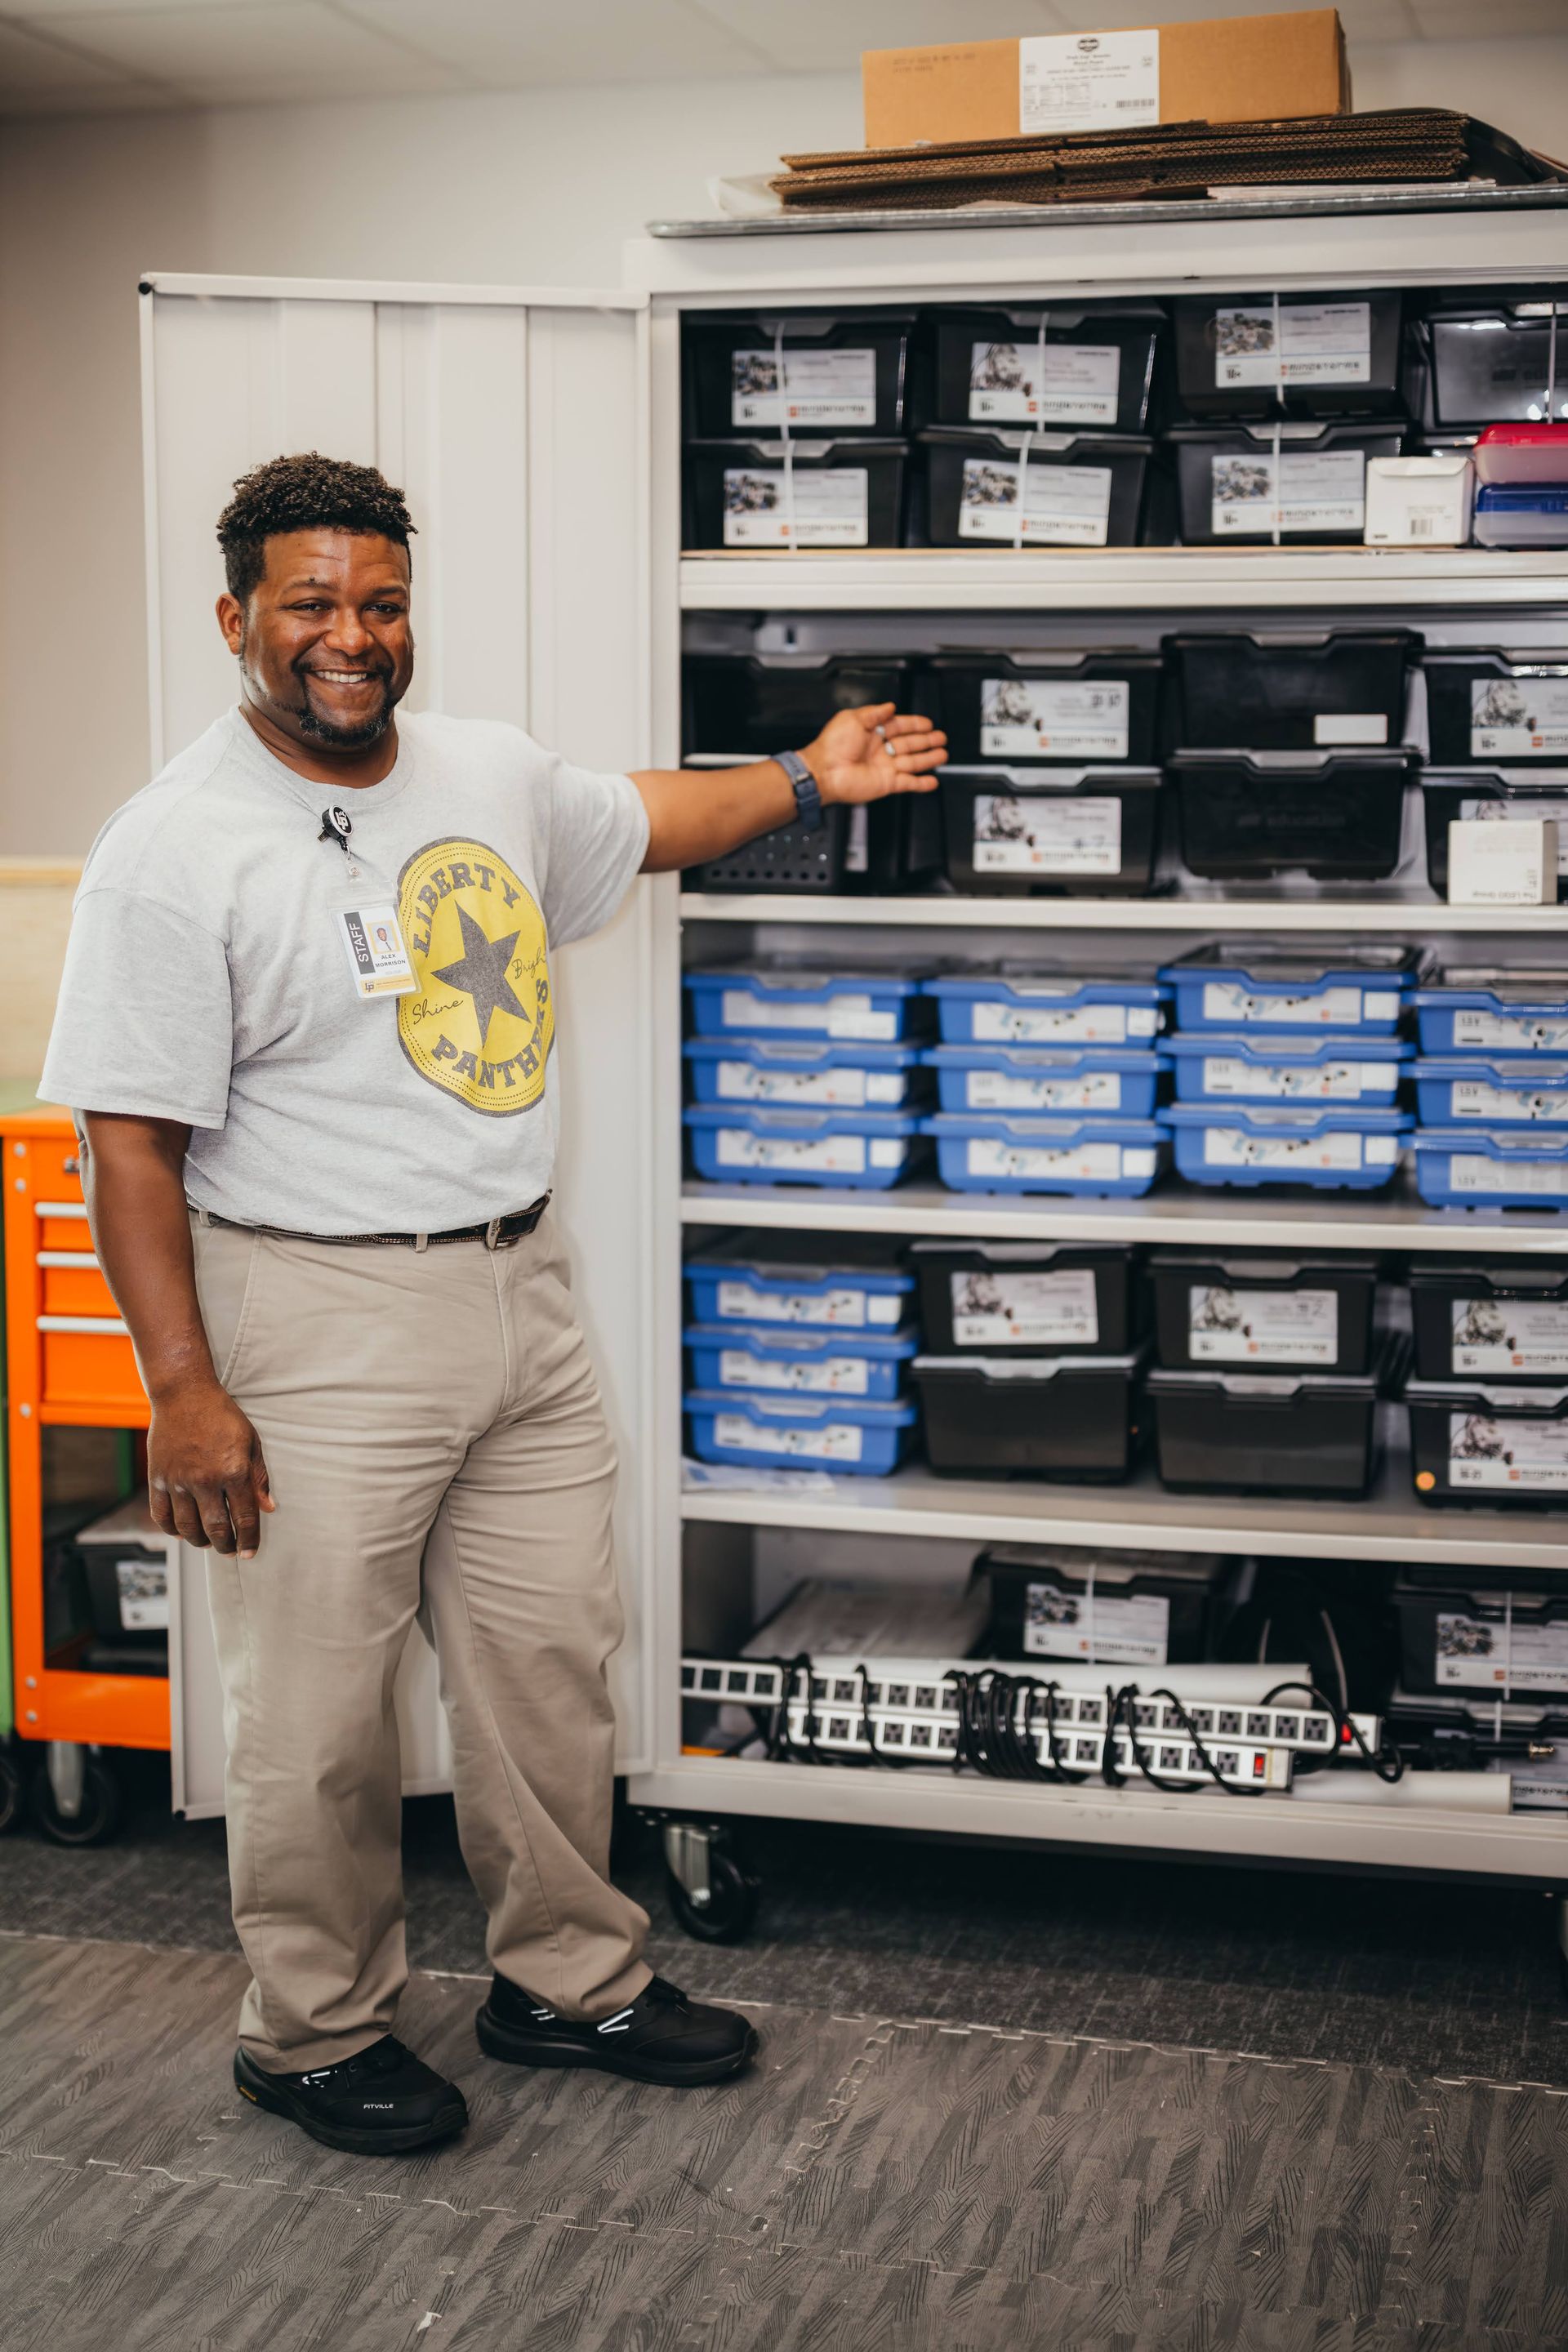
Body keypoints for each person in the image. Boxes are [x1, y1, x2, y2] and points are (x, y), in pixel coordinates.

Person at [41, 451, 947, 2158]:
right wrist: (184, 1387)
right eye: (310, 603)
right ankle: (308, 2029)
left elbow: (644, 818)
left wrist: (803, 777)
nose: (351, 636)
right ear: (236, 618)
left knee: (547, 1666)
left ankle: (567, 1978)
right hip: (308, 1313)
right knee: (313, 1708)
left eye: (379, 602)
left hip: (517, 1286)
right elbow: (133, 1150)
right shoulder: (175, 850)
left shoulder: (481, 773)